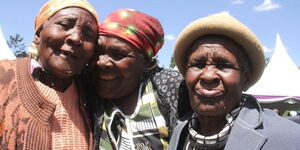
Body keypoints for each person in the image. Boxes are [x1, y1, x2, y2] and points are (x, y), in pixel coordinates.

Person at [168, 13, 300, 150]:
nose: (208, 75)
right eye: (198, 64)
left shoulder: (289, 139)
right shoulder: (180, 131)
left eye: (223, 65)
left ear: (246, 79)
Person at [0, 0, 99, 149]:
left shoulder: (93, 98)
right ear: (38, 35)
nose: (76, 38)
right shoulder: (4, 76)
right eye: (65, 25)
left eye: (88, 34)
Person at [89, 9, 184, 150]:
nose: (102, 62)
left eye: (118, 54)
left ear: (147, 62)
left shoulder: (172, 87)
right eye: (98, 51)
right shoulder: (84, 89)